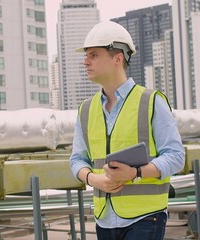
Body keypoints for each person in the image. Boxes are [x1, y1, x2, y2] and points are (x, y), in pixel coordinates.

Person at [69, 21, 185, 240]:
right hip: (104, 217)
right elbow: (76, 160)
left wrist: (136, 173)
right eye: (86, 56)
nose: (86, 62)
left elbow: (176, 157)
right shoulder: (86, 109)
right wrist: (94, 179)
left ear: (117, 58)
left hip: (145, 218)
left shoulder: (151, 101)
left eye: (93, 55)